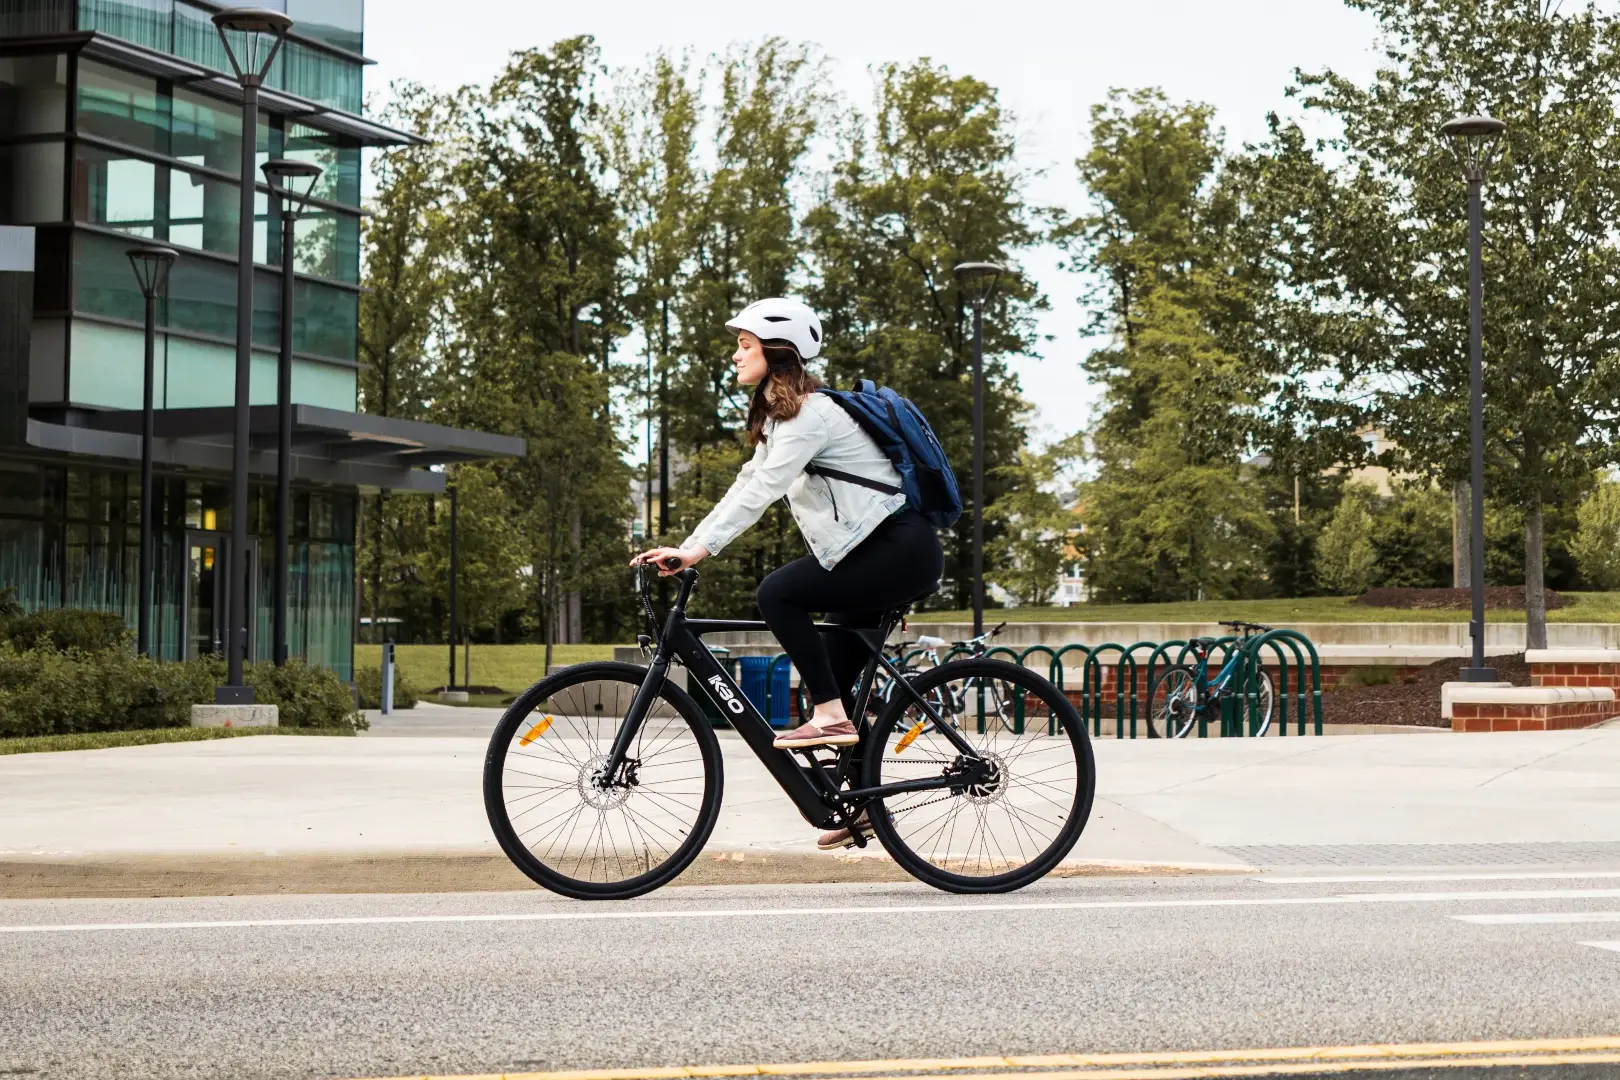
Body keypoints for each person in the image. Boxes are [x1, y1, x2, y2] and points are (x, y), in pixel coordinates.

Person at [632, 298, 944, 843]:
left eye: (745, 345)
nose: (735, 355)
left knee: (777, 594)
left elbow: (763, 491)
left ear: (777, 353)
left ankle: (834, 719)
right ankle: (863, 803)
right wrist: (688, 545)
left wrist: (698, 552)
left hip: (899, 549)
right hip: (870, 553)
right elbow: (745, 483)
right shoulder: (786, 419)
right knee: (831, 685)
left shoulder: (811, 415)